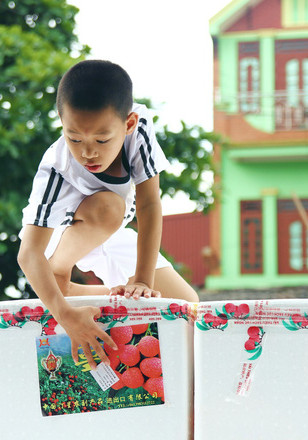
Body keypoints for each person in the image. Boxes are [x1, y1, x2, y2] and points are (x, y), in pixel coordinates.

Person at [17, 59, 198, 369]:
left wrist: (142, 279)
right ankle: (61, 277)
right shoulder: (56, 167)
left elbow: (149, 204)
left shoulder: (138, 128)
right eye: (74, 138)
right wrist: (66, 316)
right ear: (61, 121)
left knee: (187, 307)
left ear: (127, 124)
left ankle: (75, 290)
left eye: (102, 140)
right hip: (64, 238)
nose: (88, 152)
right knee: (108, 207)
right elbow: (29, 254)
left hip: (113, 232)